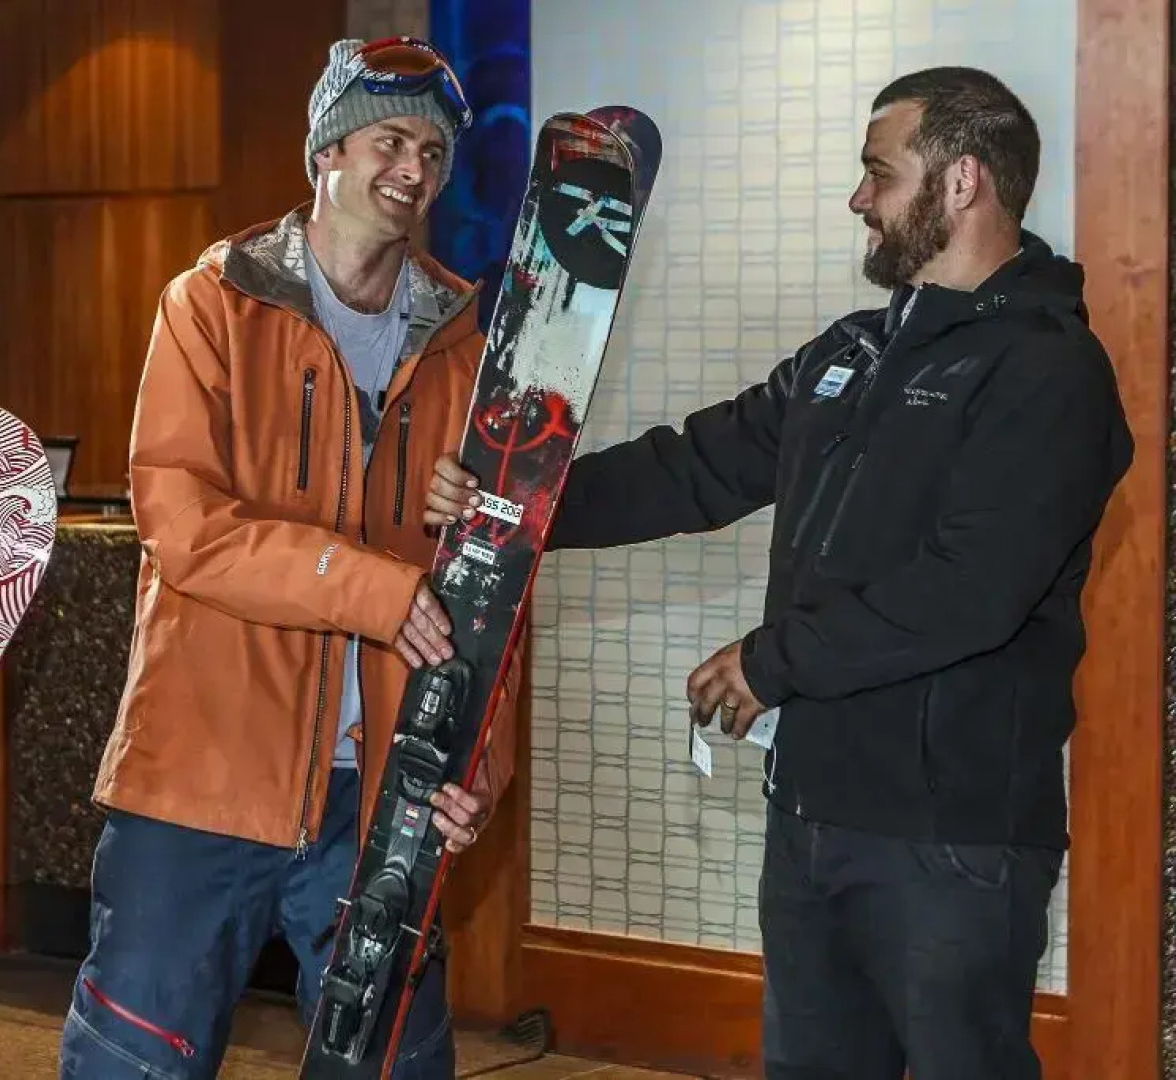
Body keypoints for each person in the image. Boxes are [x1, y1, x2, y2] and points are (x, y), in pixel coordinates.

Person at [430, 66, 1132, 1080]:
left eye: (877, 174)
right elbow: (696, 466)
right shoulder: (850, 352)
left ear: (961, 181)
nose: (858, 199)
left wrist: (774, 660)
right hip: (810, 813)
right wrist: (516, 501)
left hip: (949, 839)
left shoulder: (1045, 369)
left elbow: (968, 588)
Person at [59, 36, 522, 1080]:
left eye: (433, 154)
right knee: (136, 1059)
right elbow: (183, 527)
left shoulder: (458, 337)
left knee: (395, 1062)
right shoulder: (213, 301)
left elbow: (489, 580)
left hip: (378, 791)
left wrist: (474, 764)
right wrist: (373, 586)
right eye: (388, 141)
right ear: (325, 151)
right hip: (203, 775)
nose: (412, 171)